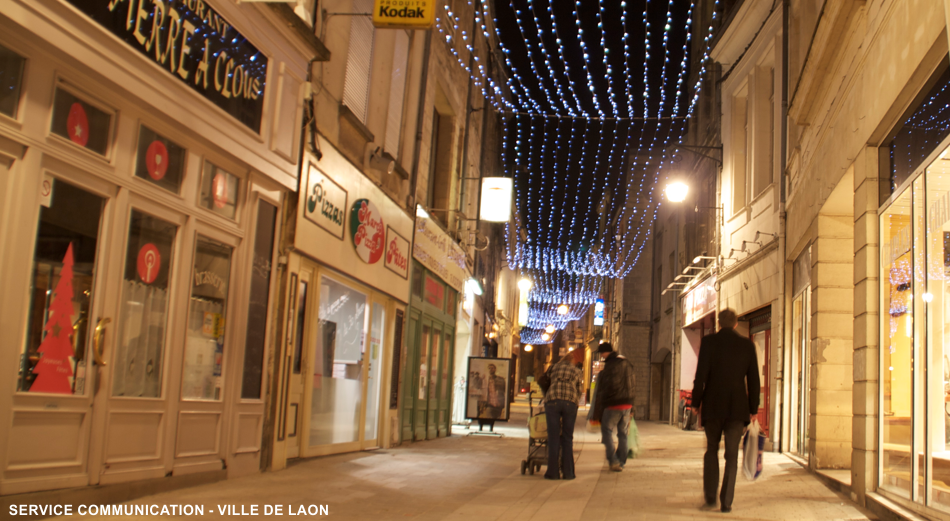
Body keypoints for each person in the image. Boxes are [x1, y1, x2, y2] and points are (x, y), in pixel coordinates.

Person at [691, 308, 760, 514]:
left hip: (712, 406)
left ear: (719, 323)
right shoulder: (747, 345)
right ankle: (727, 501)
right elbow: (754, 380)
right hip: (737, 408)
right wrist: (753, 409)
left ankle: (710, 497)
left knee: (711, 450)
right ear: (736, 323)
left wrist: (695, 403)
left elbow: (700, 376)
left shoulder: (709, 343)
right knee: (732, 455)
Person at [592, 342, 636, 472]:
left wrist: (603, 404)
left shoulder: (610, 366)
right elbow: (633, 384)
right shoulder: (627, 363)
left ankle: (613, 460)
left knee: (607, 431)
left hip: (613, 404)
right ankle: (621, 461)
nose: (601, 356)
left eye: (601, 353)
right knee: (623, 433)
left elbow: (608, 386)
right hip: (627, 404)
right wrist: (633, 406)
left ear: (606, 352)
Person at [543, 348, 585, 480]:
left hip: (553, 401)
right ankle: (568, 473)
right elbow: (579, 389)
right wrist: (575, 402)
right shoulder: (577, 371)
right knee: (567, 438)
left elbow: (545, 382)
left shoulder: (553, 367)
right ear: (572, 361)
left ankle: (553, 472)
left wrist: (547, 396)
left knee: (553, 437)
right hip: (570, 402)